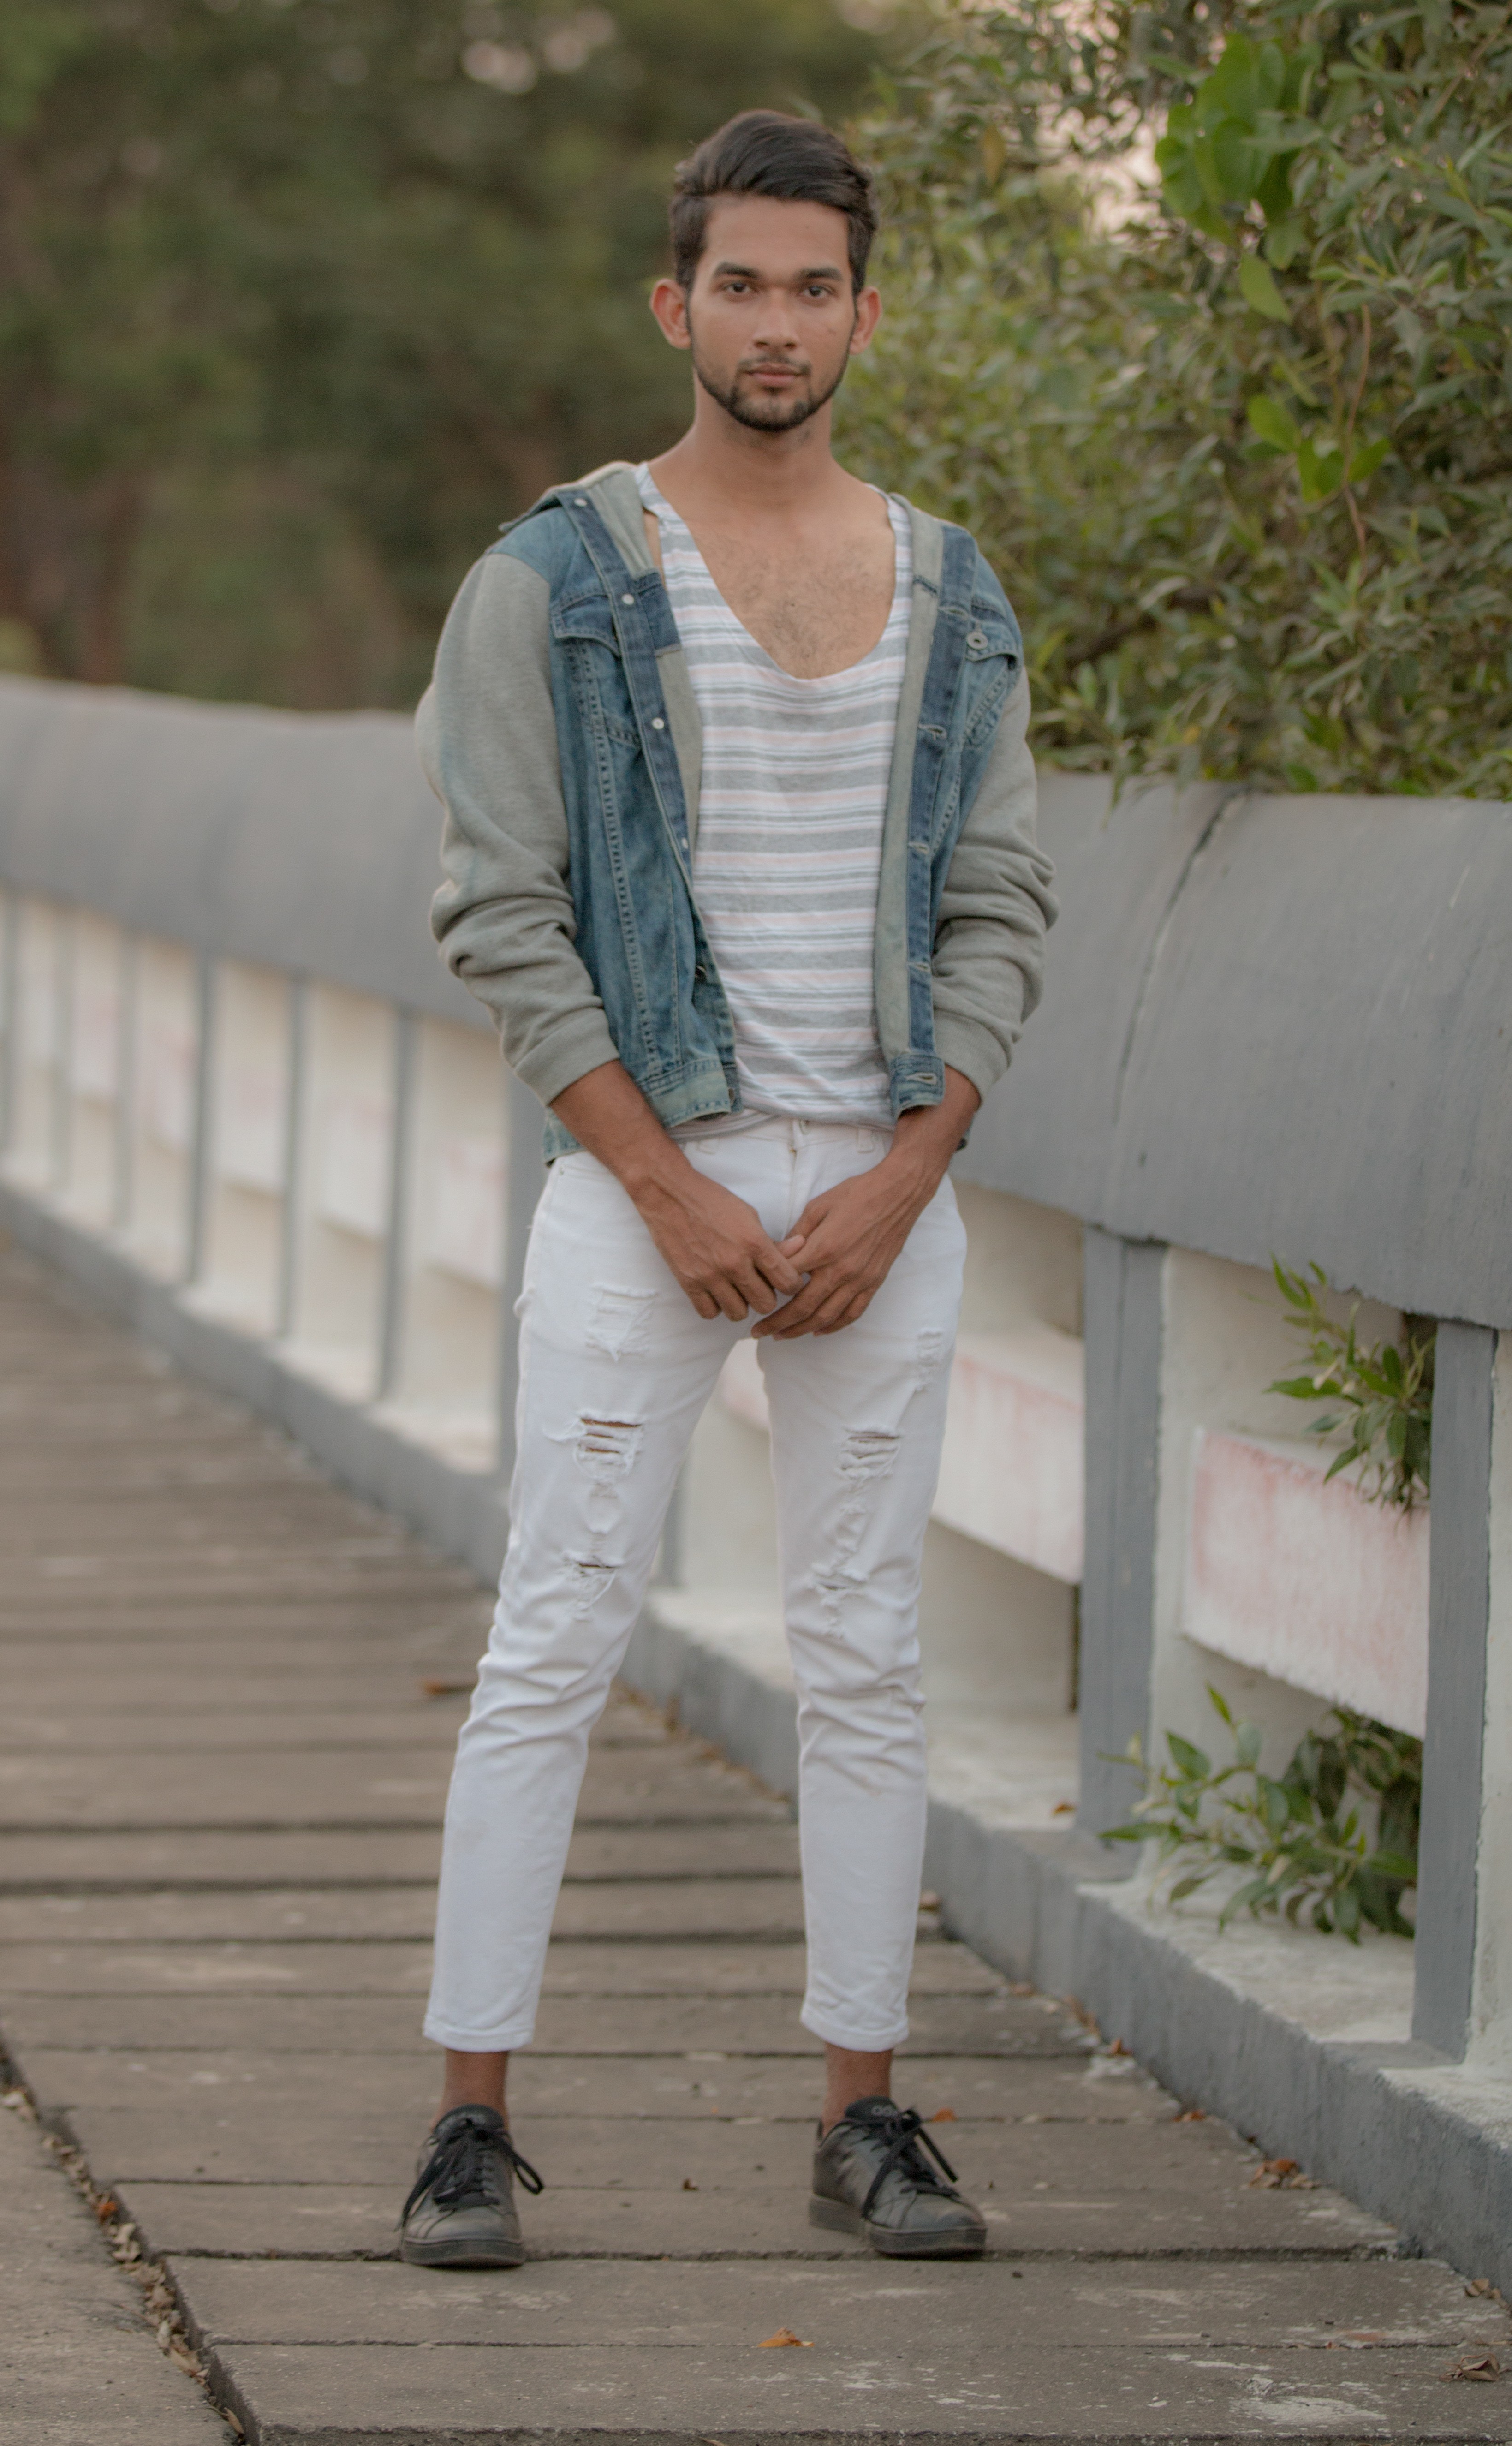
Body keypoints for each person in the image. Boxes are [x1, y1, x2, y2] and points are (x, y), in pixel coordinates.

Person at [401, 108, 1056, 2272]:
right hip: (639, 1176)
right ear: (673, 307)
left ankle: (862, 2118)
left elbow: (999, 900)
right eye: (740, 286)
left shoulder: (950, 586)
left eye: (814, 287)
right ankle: (467, 2125)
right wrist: (665, 1188)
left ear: (864, 313)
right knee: (554, 1631)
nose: (778, 323)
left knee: (864, 1650)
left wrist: (906, 1172)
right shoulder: (552, 580)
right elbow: (500, 912)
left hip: (879, 1186)